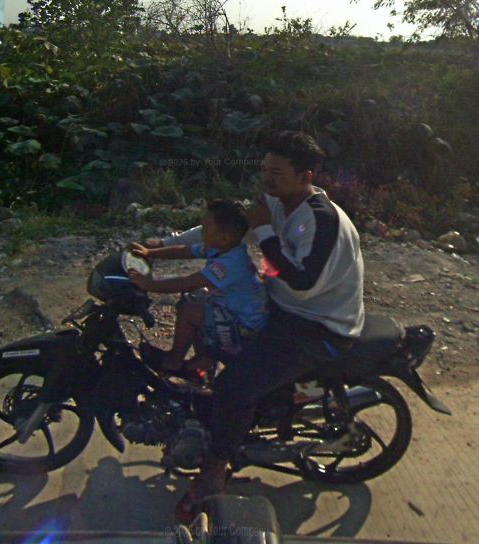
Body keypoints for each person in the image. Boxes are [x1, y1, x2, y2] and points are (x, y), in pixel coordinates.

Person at [150, 131, 364, 522]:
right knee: (203, 313)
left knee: (234, 386)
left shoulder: (320, 220)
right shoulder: (275, 203)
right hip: (281, 308)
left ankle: (213, 473)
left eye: (277, 173)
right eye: (265, 170)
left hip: (316, 326)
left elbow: (303, 283)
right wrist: (160, 245)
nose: (267, 179)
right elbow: (223, 232)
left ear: (305, 177)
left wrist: (264, 230)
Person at [127, 198, 268, 374]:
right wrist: (150, 253)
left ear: (224, 237)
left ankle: (174, 361)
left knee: (189, 312)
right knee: (193, 298)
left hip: (244, 327)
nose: (201, 233)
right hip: (232, 311)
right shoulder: (221, 247)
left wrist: (147, 284)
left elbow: (187, 282)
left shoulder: (230, 263)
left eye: (205, 229)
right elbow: (185, 250)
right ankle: (205, 356)